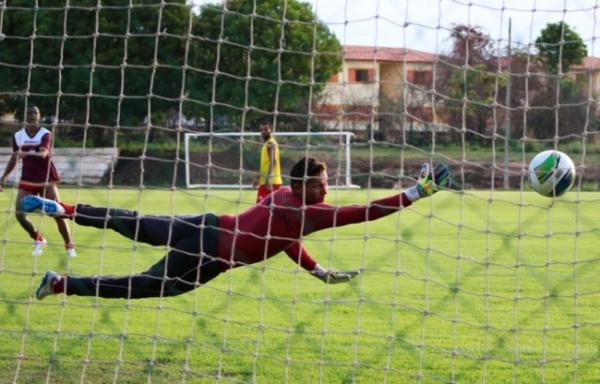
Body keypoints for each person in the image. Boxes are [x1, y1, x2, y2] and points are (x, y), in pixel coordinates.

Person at [23, 157, 450, 300]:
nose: (328, 188)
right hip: (212, 256)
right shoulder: (313, 212)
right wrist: (416, 191)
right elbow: (368, 211)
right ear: (303, 184)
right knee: (149, 285)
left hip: (206, 224)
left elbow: (278, 239)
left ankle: (63, 206)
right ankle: (62, 284)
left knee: (136, 224)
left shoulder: (283, 197)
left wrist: (317, 270)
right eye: (322, 182)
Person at [0, 105, 76, 258]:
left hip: (46, 179)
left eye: (36, 112)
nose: (33, 115)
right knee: (19, 214)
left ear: (39, 116)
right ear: (25, 116)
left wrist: (24, 152)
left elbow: (43, 154)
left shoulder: (45, 134)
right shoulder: (18, 136)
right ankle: (38, 239)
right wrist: (4, 177)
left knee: (58, 213)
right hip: (28, 178)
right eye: (29, 112)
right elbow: (15, 158)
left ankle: (69, 246)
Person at [253, 120, 282, 203]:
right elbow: (266, 164)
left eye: (266, 129)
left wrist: (268, 179)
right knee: (265, 211)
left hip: (270, 183)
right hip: (266, 182)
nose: (263, 132)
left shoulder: (270, 143)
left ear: (271, 130)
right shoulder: (267, 144)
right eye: (261, 130)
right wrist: (258, 177)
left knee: (260, 210)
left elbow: (274, 161)